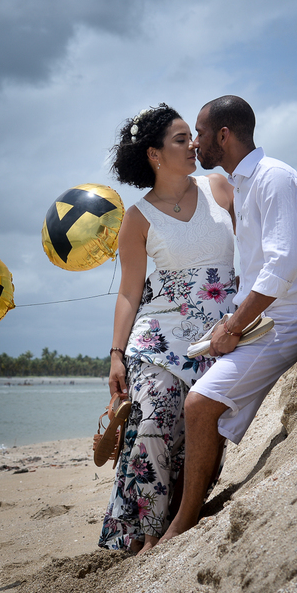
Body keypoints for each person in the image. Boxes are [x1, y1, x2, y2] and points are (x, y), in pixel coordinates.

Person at [158, 95, 297, 544]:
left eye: (201, 133)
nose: (195, 143)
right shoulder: (243, 184)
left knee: (199, 404)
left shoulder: (273, 178)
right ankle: (187, 501)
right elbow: (269, 255)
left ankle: (184, 522)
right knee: (187, 392)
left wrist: (231, 327)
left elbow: (282, 266)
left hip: (284, 322)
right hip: (257, 319)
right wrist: (232, 323)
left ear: (224, 136)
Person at [98, 103, 239, 553]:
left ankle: (181, 513)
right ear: (154, 154)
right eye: (181, 140)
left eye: (191, 137)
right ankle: (147, 537)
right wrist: (116, 355)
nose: (194, 145)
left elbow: (257, 234)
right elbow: (128, 292)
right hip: (157, 337)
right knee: (155, 424)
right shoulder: (138, 217)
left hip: (219, 329)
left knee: (192, 429)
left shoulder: (218, 186)